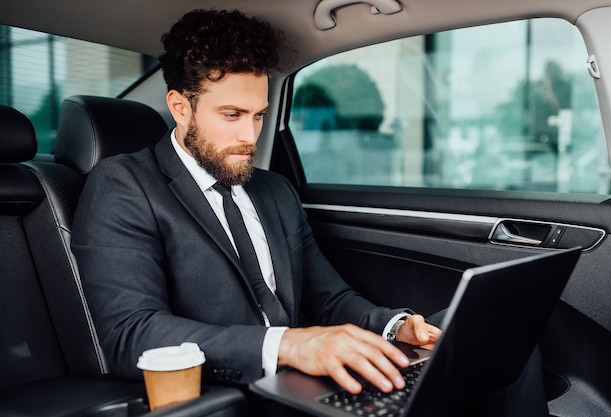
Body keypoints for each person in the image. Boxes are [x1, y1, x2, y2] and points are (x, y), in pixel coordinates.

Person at [72, 9, 548, 417]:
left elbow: (330, 300)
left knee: (496, 341)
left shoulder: (274, 191)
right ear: (180, 107)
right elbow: (131, 333)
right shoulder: (124, 185)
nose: (249, 136)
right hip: (231, 394)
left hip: (311, 379)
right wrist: (292, 345)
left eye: (259, 115)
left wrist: (395, 326)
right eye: (232, 115)